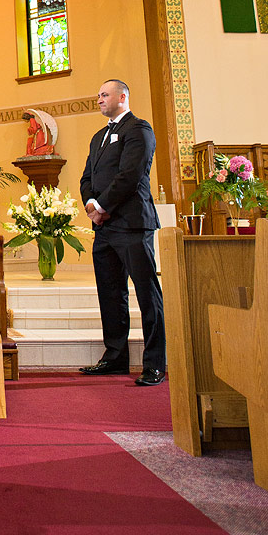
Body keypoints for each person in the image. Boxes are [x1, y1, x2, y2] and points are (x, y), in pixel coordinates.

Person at [79, 78, 166, 386]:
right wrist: (91, 202)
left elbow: (131, 175)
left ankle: (155, 363)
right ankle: (115, 357)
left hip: (131, 224)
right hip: (104, 228)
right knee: (110, 294)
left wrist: (102, 207)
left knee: (146, 294)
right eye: (98, 94)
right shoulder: (98, 136)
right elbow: (86, 176)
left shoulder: (139, 130)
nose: (99, 99)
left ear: (123, 97)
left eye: (104, 94)